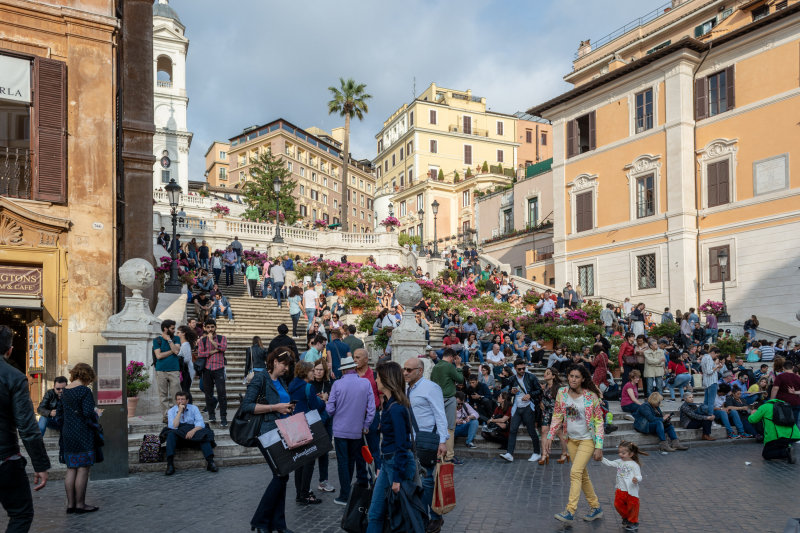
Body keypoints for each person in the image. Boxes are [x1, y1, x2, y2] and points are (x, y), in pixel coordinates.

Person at [0, 324, 50, 530]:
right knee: (21, 515)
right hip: (5, 459)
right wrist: (40, 465)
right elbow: (27, 428)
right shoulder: (14, 377)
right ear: (9, 350)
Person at [243, 348, 296, 533]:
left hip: (283, 431)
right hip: (266, 433)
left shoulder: (280, 380)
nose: (286, 369)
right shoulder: (261, 378)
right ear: (274, 362)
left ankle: (277, 524)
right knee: (281, 475)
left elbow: (282, 403)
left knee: (283, 475)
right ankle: (261, 520)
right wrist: (275, 407)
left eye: (288, 365)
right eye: (284, 364)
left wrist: (287, 408)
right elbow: (247, 406)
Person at [544, 365, 605, 523]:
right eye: (571, 376)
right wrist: (550, 435)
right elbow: (557, 415)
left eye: (577, 377)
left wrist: (599, 446)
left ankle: (570, 511)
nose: (573, 379)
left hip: (587, 440)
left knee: (575, 472)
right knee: (582, 475)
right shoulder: (562, 393)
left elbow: (599, 421)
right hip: (571, 440)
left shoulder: (591, 396)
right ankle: (596, 507)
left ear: (583, 379)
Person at [365, 362, 418, 533]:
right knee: (375, 512)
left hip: (397, 464)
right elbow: (387, 442)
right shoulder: (389, 405)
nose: (376, 380)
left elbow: (402, 445)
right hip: (388, 463)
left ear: (387, 380)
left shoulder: (396, 408)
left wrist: (396, 478)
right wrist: (380, 465)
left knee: (403, 515)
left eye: (378, 377)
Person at [403, 356, 448, 533]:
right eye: (404, 369)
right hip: (411, 440)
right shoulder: (407, 389)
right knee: (417, 479)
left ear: (419, 371)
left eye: (408, 370)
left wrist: (442, 441)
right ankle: (421, 516)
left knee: (428, 480)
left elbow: (440, 414)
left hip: (428, 439)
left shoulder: (431, 388)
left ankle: (435, 518)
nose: (405, 372)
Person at [326, 356, 376, 506]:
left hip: (340, 430)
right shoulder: (365, 383)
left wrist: (332, 409)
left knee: (343, 461)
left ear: (343, 370)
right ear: (353, 368)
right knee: (352, 459)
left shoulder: (337, 384)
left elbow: (330, 409)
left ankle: (345, 494)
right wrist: (366, 425)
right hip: (357, 430)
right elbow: (372, 409)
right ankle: (351, 491)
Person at [58, 362, 101, 513]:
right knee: (83, 469)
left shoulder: (65, 391)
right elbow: (88, 413)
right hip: (82, 432)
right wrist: (97, 414)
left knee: (71, 468)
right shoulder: (84, 391)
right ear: (87, 376)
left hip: (68, 432)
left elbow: (59, 414)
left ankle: (70, 505)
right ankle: (80, 504)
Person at [288, 361, 326, 505]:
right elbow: (316, 407)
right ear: (305, 372)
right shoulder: (308, 386)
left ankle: (300, 493)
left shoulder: (292, 385)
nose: (313, 373)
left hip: (295, 425)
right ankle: (304, 494)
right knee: (309, 461)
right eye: (311, 371)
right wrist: (324, 400)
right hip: (306, 425)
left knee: (299, 462)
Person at [499, 359, 543, 463]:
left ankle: (537, 453)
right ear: (515, 369)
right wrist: (512, 392)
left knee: (531, 430)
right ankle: (509, 453)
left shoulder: (531, 377)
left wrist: (530, 395)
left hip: (528, 407)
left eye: (524, 368)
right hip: (517, 407)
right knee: (513, 430)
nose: (522, 370)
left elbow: (540, 390)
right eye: (520, 369)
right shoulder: (512, 378)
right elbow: (509, 393)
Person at [164, 391, 218, 475]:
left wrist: (193, 431)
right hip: (179, 434)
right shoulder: (171, 411)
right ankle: (170, 464)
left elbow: (200, 423)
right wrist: (179, 412)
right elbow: (173, 426)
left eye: (182, 399)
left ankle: (210, 462)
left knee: (204, 435)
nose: (180, 401)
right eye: (178, 399)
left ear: (187, 401)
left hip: (193, 432)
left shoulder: (194, 408)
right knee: (171, 434)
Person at [601, 441, 646, 533]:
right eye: (619, 452)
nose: (620, 454)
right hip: (620, 489)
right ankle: (626, 517)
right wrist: (601, 458)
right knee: (617, 505)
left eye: (623, 453)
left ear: (631, 454)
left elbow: (639, 476)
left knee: (632, 507)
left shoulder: (634, 465)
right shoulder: (619, 462)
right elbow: (609, 463)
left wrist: (636, 479)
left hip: (631, 491)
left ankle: (633, 522)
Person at [430, 348, 464, 465]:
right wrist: (458, 366)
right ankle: (449, 455)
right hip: (449, 398)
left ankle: (439, 455)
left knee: (439, 427)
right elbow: (460, 380)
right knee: (450, 427)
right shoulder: (449, 366)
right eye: (454, 359)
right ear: (451, 357)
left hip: (437, 400)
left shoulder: (436, 367)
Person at [748, 397, 800, 463]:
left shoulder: (764, 407)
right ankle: (787, 448)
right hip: (792, 434)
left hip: (776, 436)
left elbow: (752, 420)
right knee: (781, 444)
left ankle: (786, 452)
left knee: (766, 455)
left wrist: (752, 414)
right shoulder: (785, 405)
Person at [197, 319, 228, 427]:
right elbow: (200, 354)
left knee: (222, 394)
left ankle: (223, 417)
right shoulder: (202, 341)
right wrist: (214, 351)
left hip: (219, 368)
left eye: (212, 327)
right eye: (208, 327)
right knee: (208, 394)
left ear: (215, 327)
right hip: (207, 369)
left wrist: (213, 342)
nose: (210, 329)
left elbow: (223, 348)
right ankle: (211, 415)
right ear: (205, 328)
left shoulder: (222, 338)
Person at [153, 319, 181, 423]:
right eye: (172, 328)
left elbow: (177, 351)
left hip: (174, 370)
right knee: (163, 395)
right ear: (166, 329)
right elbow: (159, 356)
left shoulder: (176, 338)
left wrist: (169, 339)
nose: (174, 330)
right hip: (161, 371)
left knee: (176, 395)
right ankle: (166, 416)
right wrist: (172, 351)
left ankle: (177, 415)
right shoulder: (157, 340)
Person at [538, 367, 568, 464]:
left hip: (556, 414)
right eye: (545, 372)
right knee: (543, 431)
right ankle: (544, 454)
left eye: (548, 373)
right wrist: (541, 403)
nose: (545, 374)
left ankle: (564, 453)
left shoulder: (559, 387)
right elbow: (544, 398)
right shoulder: (545, 386)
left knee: (559, 433)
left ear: (553, 376)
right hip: (546, 412)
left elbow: (564, 402)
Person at [770, 360, 800, 426]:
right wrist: (794, 392)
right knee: (794, 423)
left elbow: (775, 388)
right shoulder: (798, 377)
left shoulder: (780, 376)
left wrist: (771, 400)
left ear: (783, 368)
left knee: (783, 422)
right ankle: (795, 435)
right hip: (796, 402)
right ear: (792, 367)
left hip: (782, 403)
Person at [176, 325, 197, 393]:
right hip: (185, 370)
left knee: (185, 391)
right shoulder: (184, 344)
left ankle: (188, 403)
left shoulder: (185, 345)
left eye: (178, 332)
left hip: (186, 371)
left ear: (183, 333)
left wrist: (178, 361)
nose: (177, 334)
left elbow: (187, 359)